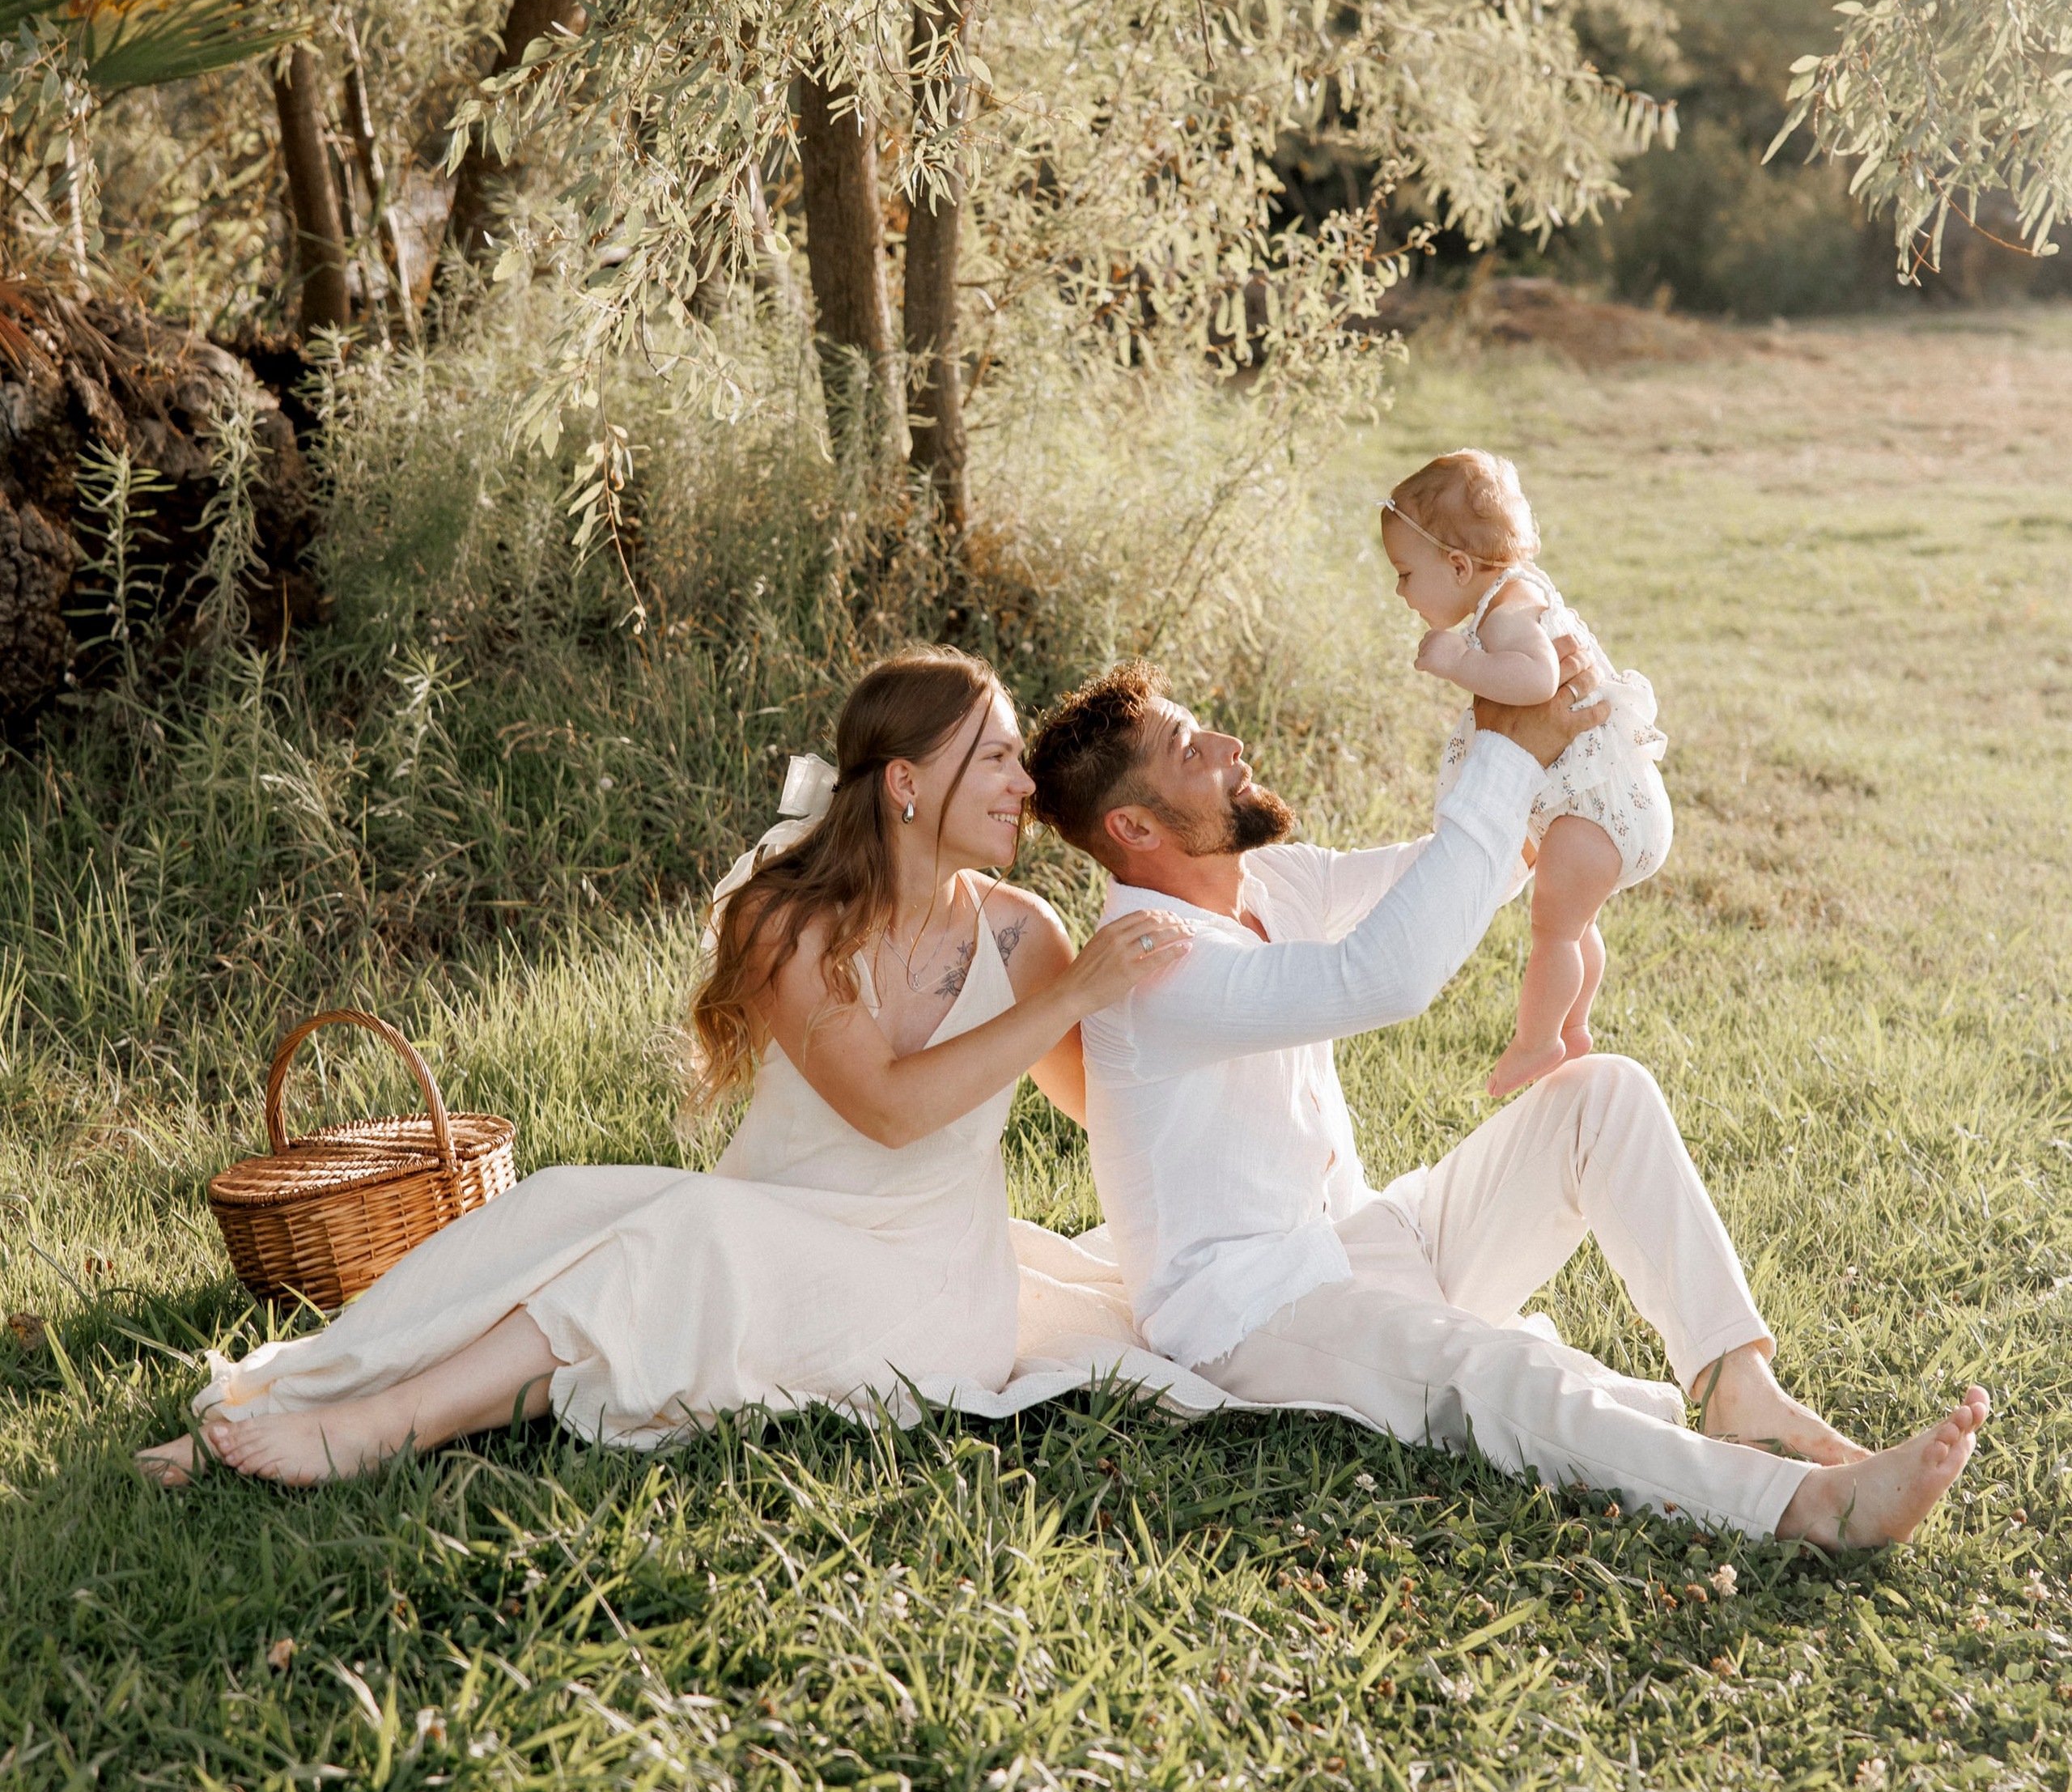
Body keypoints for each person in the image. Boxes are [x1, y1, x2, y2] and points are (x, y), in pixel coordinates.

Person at [136, 649, 1192, 1489]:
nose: (1025, 781)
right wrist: (1070, 997)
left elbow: (1112, 1112)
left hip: (929, 1290)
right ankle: (297, 1405)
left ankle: (379, 1429)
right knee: (555, 1211)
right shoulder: (789, 920)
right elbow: (884, 1105)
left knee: (671, 1243)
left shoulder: (1026, 938)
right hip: (771, 1227)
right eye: (999, 757)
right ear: (908, 781)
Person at [1023, 660, 1988, 1548]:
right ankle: (1809, 1508)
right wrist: (1503, 752)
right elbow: (1386, 976)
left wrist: (1558, 757)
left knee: (1601, 1093)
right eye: (1193, 753)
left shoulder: (1264, 880)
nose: (1230, 749)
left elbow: (1449, 874)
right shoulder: (1156, 970)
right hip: (1252, 1310)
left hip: (1366, 1236)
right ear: (1135, 829)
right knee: (1488, 1373)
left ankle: (1735, 1379)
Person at [1382, 447, 1671, 1098]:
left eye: (1405, 572)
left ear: (1459, 566)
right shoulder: (1516, 591)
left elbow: (1537, 678)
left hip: (1597, 811)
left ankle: (1536, 1041)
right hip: (1602, 807)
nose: (1400, 589)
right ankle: (1572, 1027)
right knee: (1574, 926)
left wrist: (1458, 661)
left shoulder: (1509, 607)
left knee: (1552, 928)